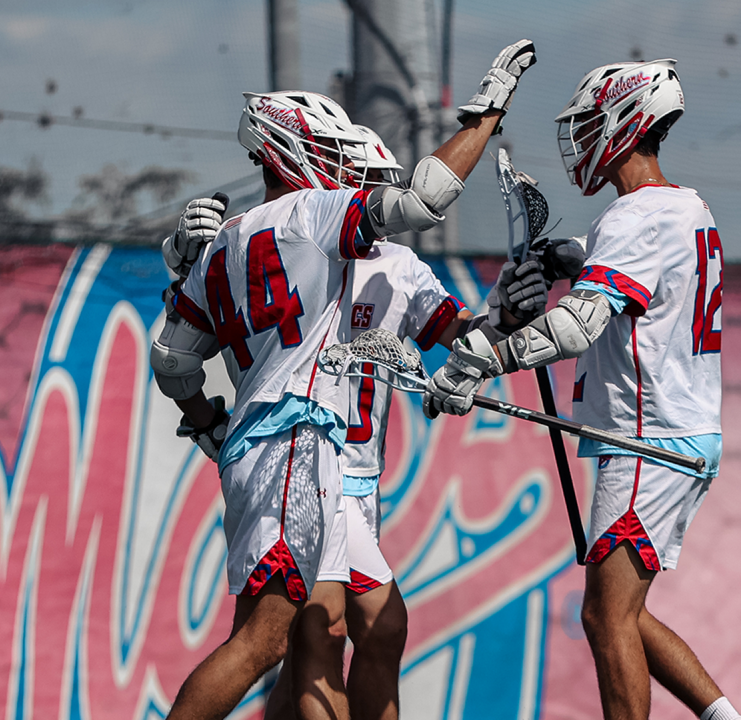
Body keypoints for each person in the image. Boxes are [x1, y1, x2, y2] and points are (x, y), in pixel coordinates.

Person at [151, 40, 536, 720]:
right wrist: (485, 116)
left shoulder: (224, 242)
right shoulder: (313, 216)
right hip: (298, 441)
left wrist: (211, 425)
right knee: (272, 641)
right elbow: (423, 198)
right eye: (332, 159)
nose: (346, 178)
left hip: (274, 449)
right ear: (290, 150)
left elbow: (173, 360)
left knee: (322, 637)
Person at [423, 59, 741, 720]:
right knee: (623, 611)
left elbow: (577, 326)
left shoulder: (635, 219)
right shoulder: (684, 207)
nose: (582, 139)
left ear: (627, 124)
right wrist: (557, 257)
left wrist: (480, 360)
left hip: (644, 441)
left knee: (604, 617)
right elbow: (611, 262)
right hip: (684, 437)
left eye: (592, 123)